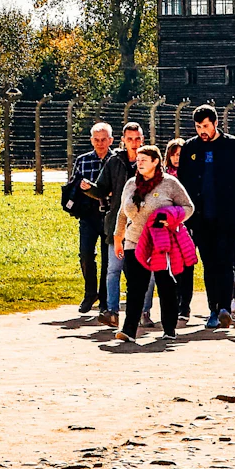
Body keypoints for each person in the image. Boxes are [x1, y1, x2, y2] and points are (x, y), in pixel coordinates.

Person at [176, 104, 235, 329]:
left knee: (226, 260)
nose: (202, 131)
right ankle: (213, 309)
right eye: (198, 126)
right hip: (200, 218)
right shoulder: (190, 148)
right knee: (209, 263)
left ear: (216, 123)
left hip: (227, 216)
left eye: (206, 126)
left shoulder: (233, 146)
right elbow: (182, 180)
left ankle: (225, 308)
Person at [114, 145, 195, 343]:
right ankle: (129, 330)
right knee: (135, 286)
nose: (139, 163)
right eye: (138, 160)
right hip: (135, 240)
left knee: (165, 285)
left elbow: (188, 207)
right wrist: (118, 238)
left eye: (144, 159)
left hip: (161, 242)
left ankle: (169, 329)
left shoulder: (170, 183)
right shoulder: (131, 184)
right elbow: (122, 212)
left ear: (156, 161)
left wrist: (172, 218)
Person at [85, 120, 142, 326]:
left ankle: (143, 312)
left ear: (142, 140)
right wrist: (89, 188)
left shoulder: (148, 160)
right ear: (123, 140)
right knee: (113, 269)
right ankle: (112, 311)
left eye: (137, 139)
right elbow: (102, 188)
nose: (133, 143)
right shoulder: (114, 161)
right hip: (117, 223)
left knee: (140, 273)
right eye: (130, 139)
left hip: (141, 225)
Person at [140, 138, 195, 326]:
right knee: (163, 268)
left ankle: (184, 306)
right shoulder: (161, 177)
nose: (177, 158)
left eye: (180, 154)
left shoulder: (189, 174)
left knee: (186, 266)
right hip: (161, 231)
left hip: (185, 226)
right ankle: (156, 310)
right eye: (174, 154)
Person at [72, 122, 112, 314]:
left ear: (110, 140)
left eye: (103, 139)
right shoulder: (83, 160)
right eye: (96, 139)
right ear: (91, 140)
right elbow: (72, 184)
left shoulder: (116, 159)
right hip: (88, 214)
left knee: (107, 258)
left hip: (109, 214)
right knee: (85, 254)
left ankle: (105, 298)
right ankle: (90, 293)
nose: (100, 143)